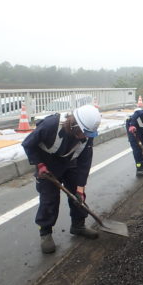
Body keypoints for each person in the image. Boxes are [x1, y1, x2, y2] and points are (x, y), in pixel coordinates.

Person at [22, 105, 102, 254]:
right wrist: (39, 165)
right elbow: (28, 144)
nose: (85, 137)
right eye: (83, 133)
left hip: (70, 163)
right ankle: (45, 232)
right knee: (49, 199)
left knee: (78, 198)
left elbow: (85, 162)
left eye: (88, 134)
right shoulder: (50, 125)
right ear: (73, 124)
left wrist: (80, 188)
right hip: (47, 166)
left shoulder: (87, 135)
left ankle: (78, 225)